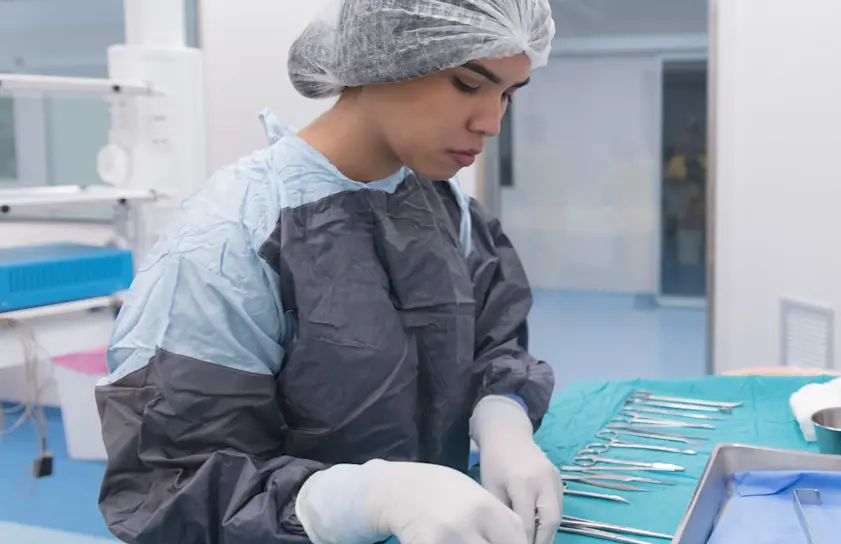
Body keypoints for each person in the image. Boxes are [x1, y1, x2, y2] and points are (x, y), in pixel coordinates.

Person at [94, 1, 559, 543]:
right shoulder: (233, 236)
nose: (491, 122)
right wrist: (367, 502)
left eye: (506, 93)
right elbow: (174, 486)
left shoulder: (442, 207)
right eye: (467, 83)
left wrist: (502, 414)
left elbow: (490, 340)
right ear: (382, 58)